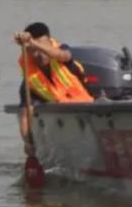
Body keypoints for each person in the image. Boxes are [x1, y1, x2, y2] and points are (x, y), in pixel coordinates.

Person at [13, 22, 93, 155]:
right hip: (66, 120)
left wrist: (33, 44)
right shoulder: (29, 83)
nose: (39, 54)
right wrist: (27, 142)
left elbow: (63, 56)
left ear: (50, 42)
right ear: (27, 51)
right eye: (33, 51)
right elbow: (24, 115)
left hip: (89, 111)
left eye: (43, 47)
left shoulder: (62, 53)